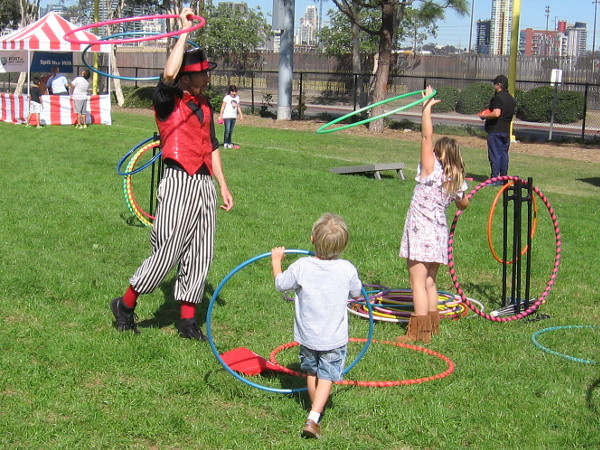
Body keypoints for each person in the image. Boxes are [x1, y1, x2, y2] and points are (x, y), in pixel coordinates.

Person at [110, 8, 234, 340]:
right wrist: (184, 31)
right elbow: (167, 73)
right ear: (186, 77)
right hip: (178, 180)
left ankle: (187, 322)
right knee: (168, 250)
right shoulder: (167, 100)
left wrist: (222, 185)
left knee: (201, 251)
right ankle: (124, 305)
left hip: (204, 182)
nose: (208, 78)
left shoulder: (206, 105)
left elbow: (212, 146)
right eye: (202, 74)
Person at [271, 213, 362, 439]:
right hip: (333, 337)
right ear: (343, 246)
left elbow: (281, 285)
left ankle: (314, 412)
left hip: (308, 335)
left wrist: (276, 261)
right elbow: (357, 293)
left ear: (312, 240)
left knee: (312, 371)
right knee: (327, 375)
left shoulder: (301, 266)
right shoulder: (347, 268)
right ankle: (313, 417)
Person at [397, 86, 469, 344]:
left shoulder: (432, 170)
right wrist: (459, 194)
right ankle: (432, 325)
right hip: (438, 232)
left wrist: (426, 106)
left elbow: (426, 137)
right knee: (429, 281)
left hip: (420, 232)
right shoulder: (454, 179)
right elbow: (464, 205)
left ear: (438, 156)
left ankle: (417, 333)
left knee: (417, 282)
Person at [478, 75, 516, 182]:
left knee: (495, 155)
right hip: (506, 131)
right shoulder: (510, 98)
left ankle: (495, 178)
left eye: (495, 84)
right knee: (504, 155)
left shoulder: (498, 98)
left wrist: (484, 116)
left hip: (495, 130)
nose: (494, 86)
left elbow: (496, 113)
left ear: (499, 85)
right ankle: (504, 178)